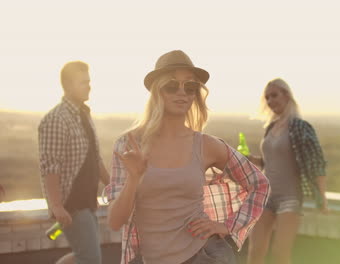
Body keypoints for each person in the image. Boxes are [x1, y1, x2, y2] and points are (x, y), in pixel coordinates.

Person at [104, 50, 270, 264]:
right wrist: (134, 179)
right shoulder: (129, 145)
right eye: (172, 86)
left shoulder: (206, 145)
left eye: (190, 86)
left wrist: (227, 227)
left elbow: (259, 184)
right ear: (157, 92)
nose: (182, 93)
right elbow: (116, 221)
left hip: (203, 256)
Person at [246, 78, 328, 264]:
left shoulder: (300, 126)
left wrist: (322, 197)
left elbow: (317, 163)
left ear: (287, 95)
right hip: (265, 196)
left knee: (280, 253)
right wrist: (253, 160)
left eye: (274, 95)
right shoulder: (271, 127)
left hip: (289, 197)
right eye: (267, 98)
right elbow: (271, 162)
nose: (271, 101)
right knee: (255, 251)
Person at [38, 61, 110, 264]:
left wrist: (113, 187)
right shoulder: (56, 119)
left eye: (89, 81)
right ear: (68, 86)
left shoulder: (84, 114)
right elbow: (50, 167)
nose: (89, 86)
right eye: (83, 82)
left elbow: (95, 158)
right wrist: (57, 206)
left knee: (87, 256)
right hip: (71, 204)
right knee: (89, 258)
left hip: (87, 202)